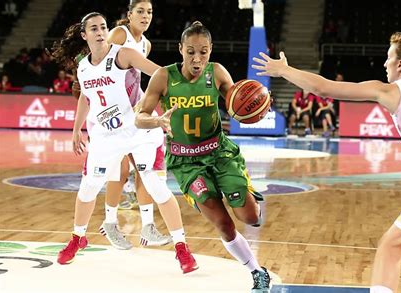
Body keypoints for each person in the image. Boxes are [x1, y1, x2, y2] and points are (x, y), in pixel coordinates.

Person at [252, 32, 401, 293]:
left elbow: (324, 88)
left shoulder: (392, 90)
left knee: (391, 246)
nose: (384, 64)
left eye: (388, 58)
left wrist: (284, 70)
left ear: (400, 64)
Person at [50, 12, 198, 274]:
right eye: (93, 28)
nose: (99, 31)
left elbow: (160, 74)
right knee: (88, 188)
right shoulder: (83, 66)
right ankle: (78, 238)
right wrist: (76, 131)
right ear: (84, 35)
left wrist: (165, 102)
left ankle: (181, 248)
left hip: (142, 130)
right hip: (107, 136)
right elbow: (86, 98)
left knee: (157, 187)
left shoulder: (123, 54)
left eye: (103, 27)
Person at [136, 21, 271, 292]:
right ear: (180, 50)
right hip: (186, 163)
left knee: (250, 217)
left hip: (219, 153)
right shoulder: (163, 77)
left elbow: (237, 103)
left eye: (203, 51)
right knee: (223, 224)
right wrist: (156, 121)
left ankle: (247, 194)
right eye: (190, 52)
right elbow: (140, 117)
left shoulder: (217, 72)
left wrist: (258, 105)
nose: (197, 58)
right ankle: (257, 270)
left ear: (210, 51)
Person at [100, 0, 172, 250]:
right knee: (119, 173)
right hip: (112, 114)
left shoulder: (146, 43)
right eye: (140, 11)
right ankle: (109, 223)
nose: (145, 16)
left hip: (135, 113)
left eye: (150, 12)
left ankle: (148, 226)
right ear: (129, 15)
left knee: (145, 168)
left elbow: (137, 76)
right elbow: (101, 66)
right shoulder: (119, 34)